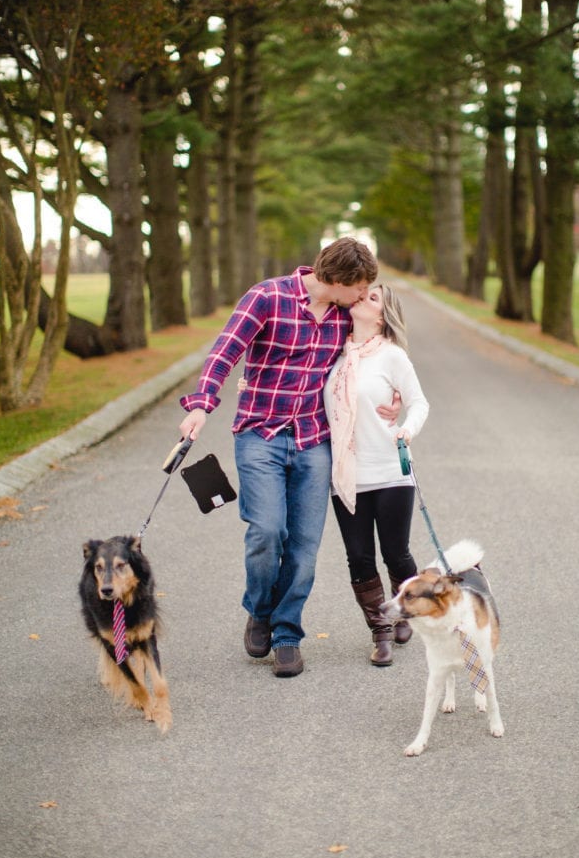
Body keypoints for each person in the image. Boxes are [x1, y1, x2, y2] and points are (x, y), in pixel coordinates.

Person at [178, 236, 379, 679]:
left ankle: (287, 635)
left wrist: (393, 400)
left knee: (304, 549)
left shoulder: (348, 316)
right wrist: (200, 405)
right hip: (260, 435)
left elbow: (373, 360)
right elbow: (224, 352)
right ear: (339, 279)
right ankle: (260, 610)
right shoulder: (268, 297)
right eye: (360, 287)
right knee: (268, 531)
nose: (363, 296)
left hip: (314, 440)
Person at [323, 283, 429, 667]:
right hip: (347, 474)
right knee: (359, 558)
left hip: (389, 470)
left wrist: (406, 428)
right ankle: (380, 631)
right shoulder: (332, 349)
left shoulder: (392, 356)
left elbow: (419, 403)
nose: (362, 299)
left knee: (395, 553)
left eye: (372, 298)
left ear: (382, 316)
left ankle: (406, 611)